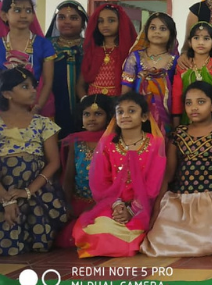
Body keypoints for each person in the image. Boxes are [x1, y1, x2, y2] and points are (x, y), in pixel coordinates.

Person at [141, 82, 212, 257]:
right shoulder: (178, 135)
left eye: (201, 102)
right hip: (179, 203)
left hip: (211, 203)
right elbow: (168, 176)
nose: (194, 107)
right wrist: (157, 210)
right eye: (189, 103)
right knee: (158, 241)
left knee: (208, 243)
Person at [73, 92, 166, 258]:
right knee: (90, 229)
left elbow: (153, 184)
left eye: (131, 111)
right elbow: (102, 182)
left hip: (143, 206)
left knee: (126, 236)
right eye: (120, 112)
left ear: (144, 116)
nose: (125, 115)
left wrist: (132, 210)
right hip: (113, 204)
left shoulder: (155, 143)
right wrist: (117, 206)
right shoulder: (108, 144)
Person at [0, 68, 67, 256]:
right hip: (3, 189)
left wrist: (27, 191)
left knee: (34, 237)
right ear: (7, 94)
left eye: (33, 86)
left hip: (36, 190)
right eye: (25, 87)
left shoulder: (43, 123)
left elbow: (54, 163)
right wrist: (6, 198)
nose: (33, 91)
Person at [57, 94, 114, 249]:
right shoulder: (75, 142)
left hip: (104, 203)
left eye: (98, 114)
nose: (91, 118)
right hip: (78, 202)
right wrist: (67, 203)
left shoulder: (112, 141)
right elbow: (69, 176)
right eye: (86, 114)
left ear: (109, 117)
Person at [0, 0, 55, 117]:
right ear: (4, 15)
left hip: (38, 101)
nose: (24, 15)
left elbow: (48, 82)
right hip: (5, 104)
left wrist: (37, 107)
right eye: (17, 10)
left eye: (29, 10)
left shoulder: (43, 44)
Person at [122, 12, 179, 134]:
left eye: (163, 29)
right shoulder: (135, 57)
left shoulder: (175, 60)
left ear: (171, 34)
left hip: (165, 115)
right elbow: (126, 89)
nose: (157, 32)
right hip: (138, 113)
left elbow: (177, 91)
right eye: (153, 28)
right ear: (146, 32)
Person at [172, 23, 212, 127]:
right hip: (187, 120)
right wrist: (176, 127)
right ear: (190, 42)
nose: (201, 42)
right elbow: (176, 97)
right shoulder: (182, 67)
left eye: (206, 38)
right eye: (196, 38)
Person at [45, 0, 88, 138]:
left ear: (83, 22)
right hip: (53, 100)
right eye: (61, 17)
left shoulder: (90, 46)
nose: (67, 22)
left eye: (74, 18)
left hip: (84, 100)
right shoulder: (46, 45)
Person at [77, 3, 137, 98]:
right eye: (100, 21)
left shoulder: (129, 52)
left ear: (121, 22)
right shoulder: (92, 50)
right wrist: (85, 101)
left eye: (111, 20)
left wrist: (121, 104)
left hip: (118, 102)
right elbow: (80, 85)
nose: (105, 25)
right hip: (93, 102)